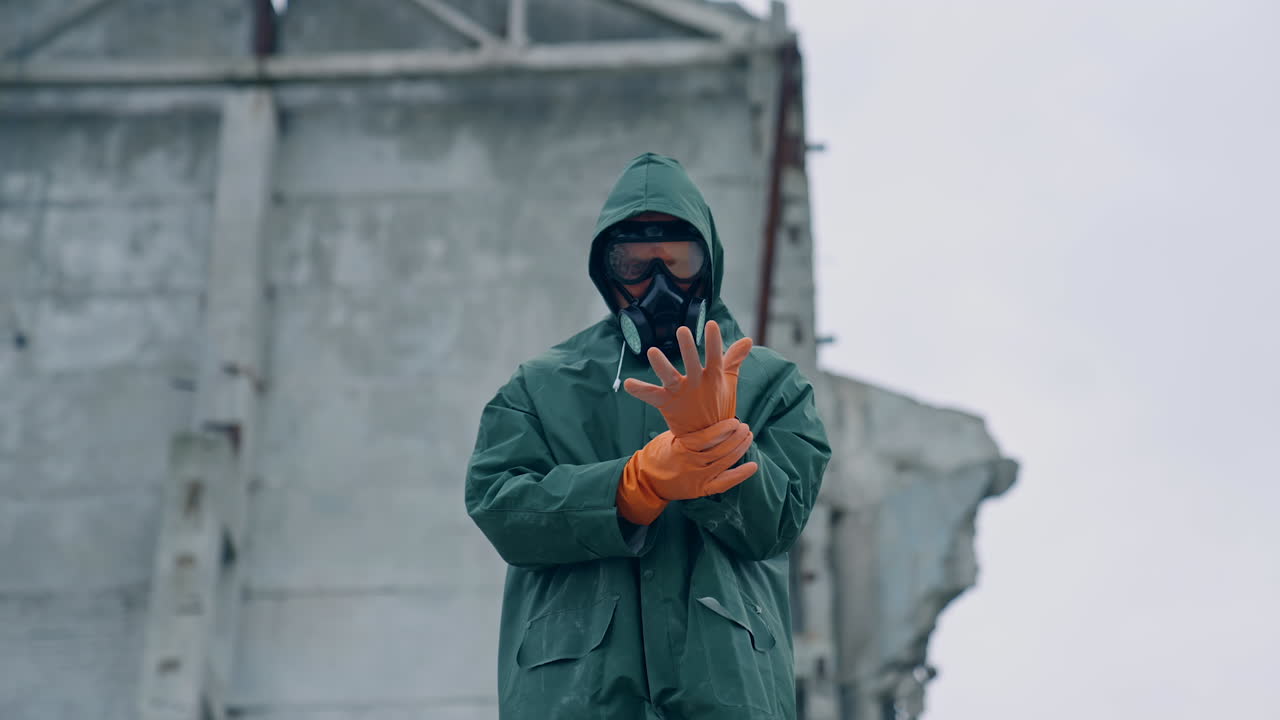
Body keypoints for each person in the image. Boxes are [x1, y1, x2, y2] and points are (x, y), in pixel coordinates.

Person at [465, 152, 830, 720]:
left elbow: (775, 524)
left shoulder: (772, 384)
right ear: (607, 272)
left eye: (677, 260)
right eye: (634, 263)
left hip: (726, 692)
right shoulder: (541, 386)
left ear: (707, 264)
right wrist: (630, 487)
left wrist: (715, 446)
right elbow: (499, 506)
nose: (659, 282)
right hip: (576, 694)